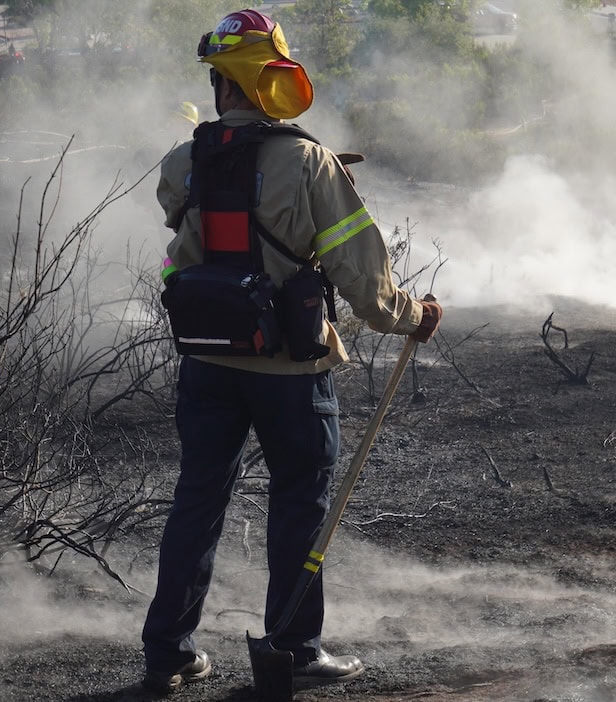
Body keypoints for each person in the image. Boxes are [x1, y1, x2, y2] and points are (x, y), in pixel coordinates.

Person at [141, 8, 442, 695]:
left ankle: (168, 655)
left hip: (207, 364)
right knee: (300, 502)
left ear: (222, 83)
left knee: (198, 500)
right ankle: (294, 651)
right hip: (288, 371)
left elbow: (190, 227)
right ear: (272, 80)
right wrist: (412, 315)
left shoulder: (183, 161)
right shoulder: (309, 162)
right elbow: (364, 283)